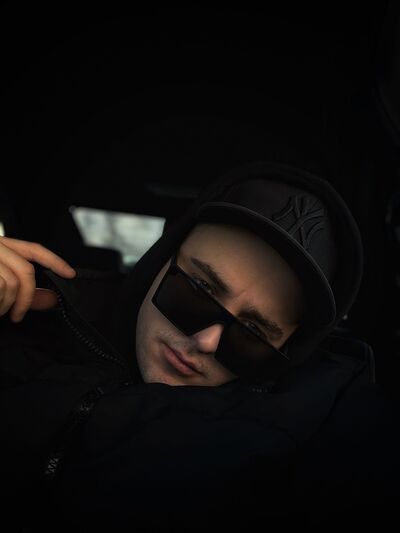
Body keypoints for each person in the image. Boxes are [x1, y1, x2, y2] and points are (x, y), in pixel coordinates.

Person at [0, 161, 398, 532]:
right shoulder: (28, 328)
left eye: (252, 332)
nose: (206, 341)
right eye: (198, 290)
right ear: (161, 261)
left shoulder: (314, 426)